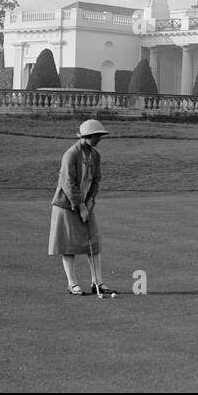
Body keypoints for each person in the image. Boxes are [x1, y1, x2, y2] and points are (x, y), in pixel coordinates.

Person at [48, 119, 117, 296]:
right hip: (65, 204)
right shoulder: (70, 155)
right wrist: (80, 206)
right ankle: (72, 284)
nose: (99, 139)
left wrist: (89, 203)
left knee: (93, 241)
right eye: (96, 136)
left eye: (100, 136)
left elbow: (96, 180)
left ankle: (97, 283)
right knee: (68, 245)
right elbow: (67, 183)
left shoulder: (96, 155)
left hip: (85, 204)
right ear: (87, 136)